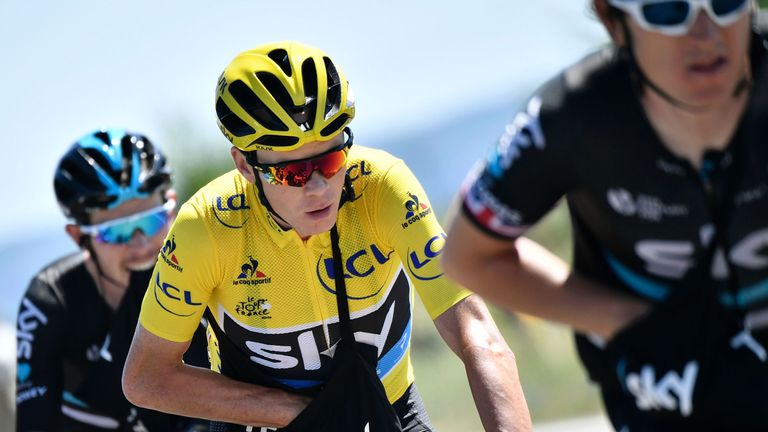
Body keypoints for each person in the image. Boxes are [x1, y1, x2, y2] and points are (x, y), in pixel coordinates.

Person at [121, 41, 532, 431]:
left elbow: (477, 336)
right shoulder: (205, 229)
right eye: (292, 173)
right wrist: (307, 414)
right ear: (245, 167)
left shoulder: (382, 188)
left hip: (386, 407)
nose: (317, 187)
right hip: (264, 423)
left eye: (332, 160)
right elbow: (146, 377)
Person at [442, 0, 768, 431]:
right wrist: (624, 322)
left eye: (726, 3)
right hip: (670, 394)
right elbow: (468, 256)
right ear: (614, 21)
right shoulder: (571, 115)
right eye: (668, 11)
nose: (706, 34)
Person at [16, 129, 209, 431]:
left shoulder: (214, 268)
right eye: (116, 232)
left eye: (151, 220)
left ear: (173, 208)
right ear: (79, 237)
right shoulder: (50, 300)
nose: (141, 244)